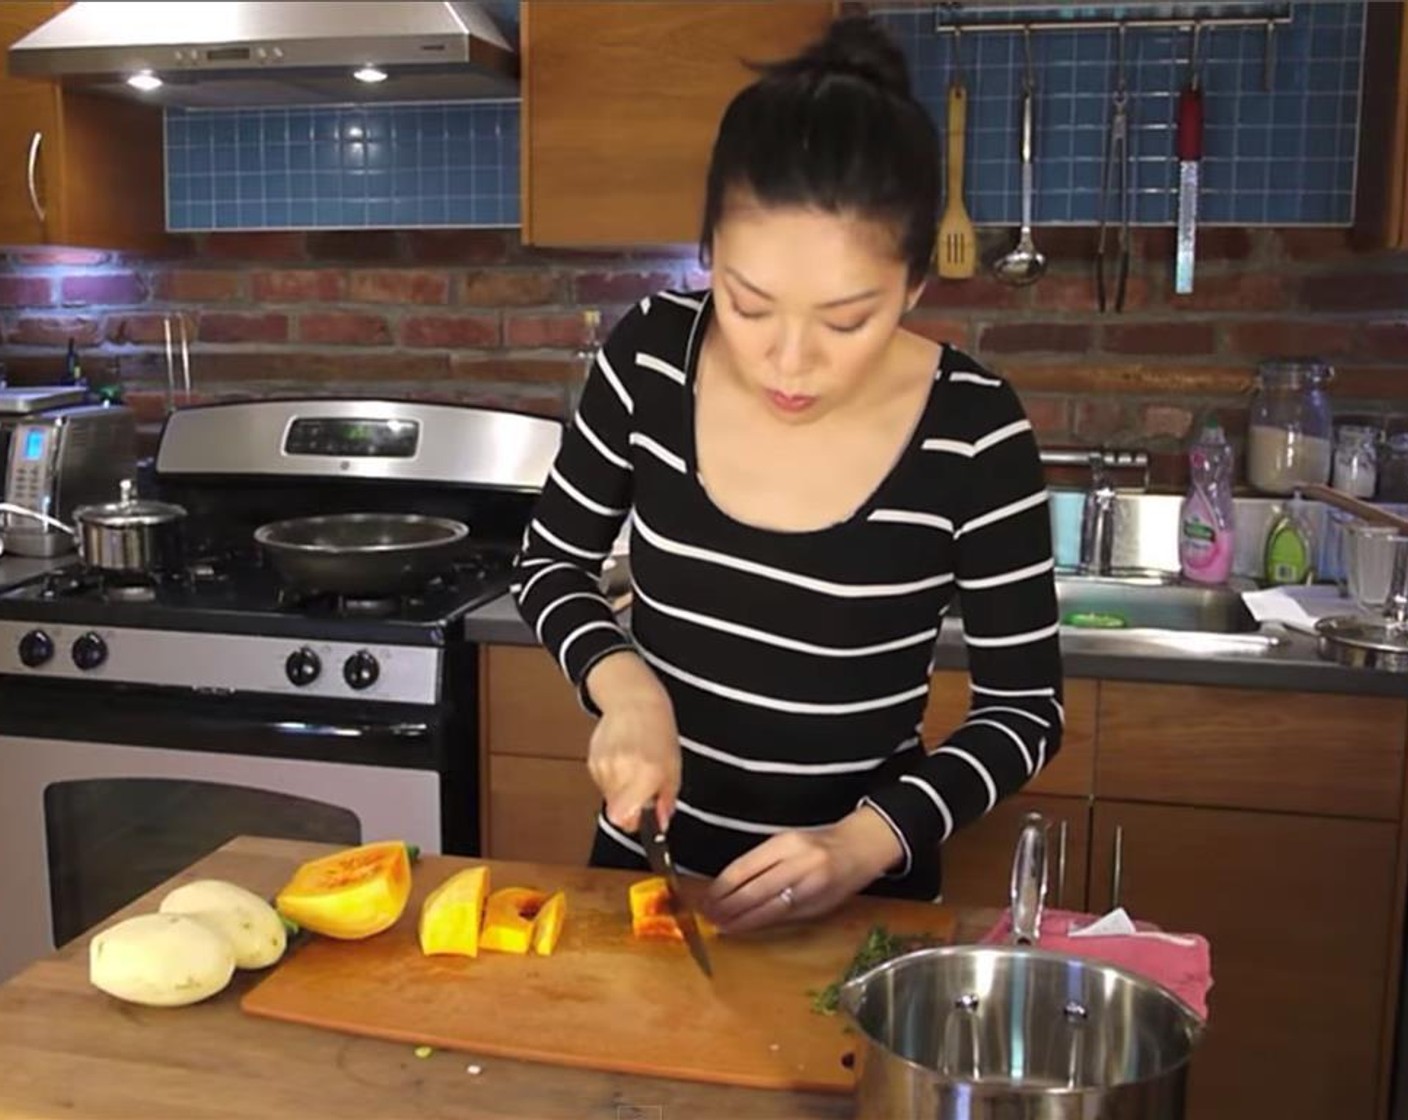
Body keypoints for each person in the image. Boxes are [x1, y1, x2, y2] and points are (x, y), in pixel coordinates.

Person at [510, 15, 1063, 935]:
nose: (789, 362)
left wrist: (862, 843)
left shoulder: (974, 428)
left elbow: (1023, 710)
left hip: (859, 903)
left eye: (847, 321)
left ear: (917, 284)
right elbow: (548, 567)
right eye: (747, 304)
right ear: (709, 255)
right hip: (651, 882)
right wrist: (626, 686)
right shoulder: (650, 357)